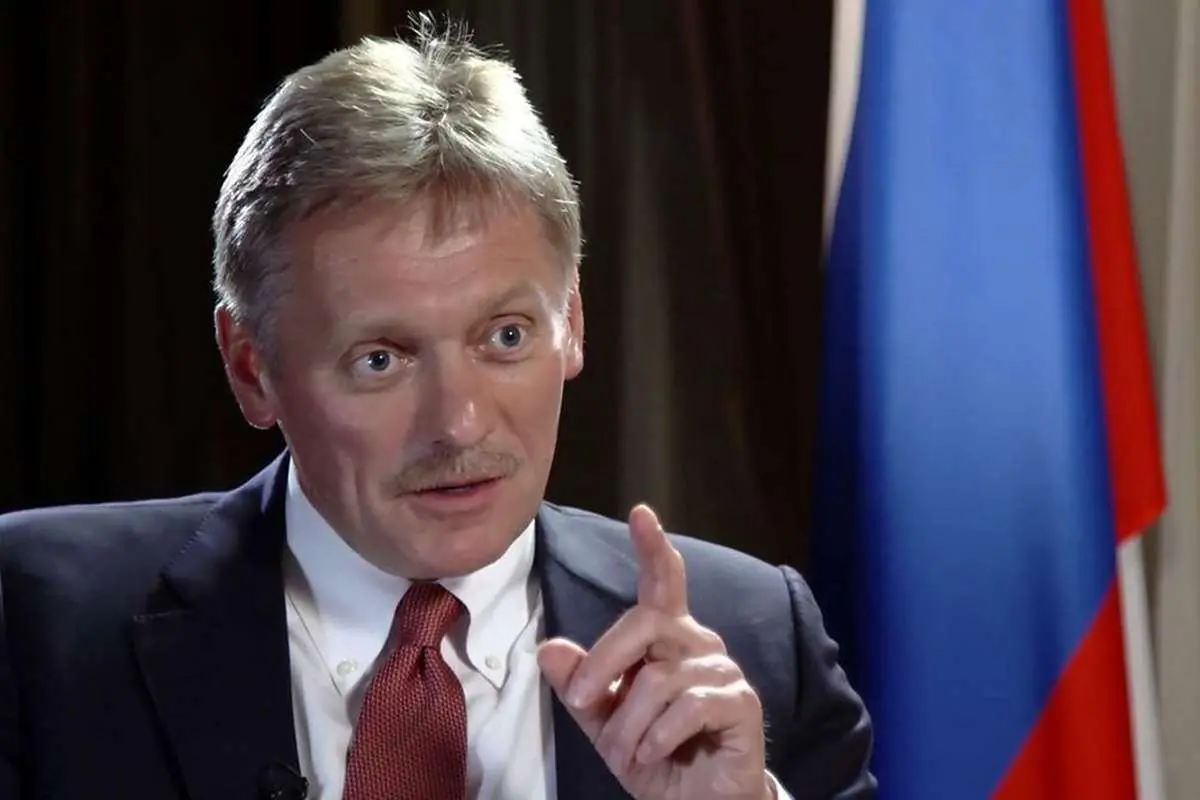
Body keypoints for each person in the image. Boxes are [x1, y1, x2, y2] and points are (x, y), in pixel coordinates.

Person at [0, 16, 874, 800]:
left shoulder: (756, 642)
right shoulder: (37, 625)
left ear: (571, 322)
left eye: (505, 337)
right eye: (379, 360)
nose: (458, 425)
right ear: (251, 368)